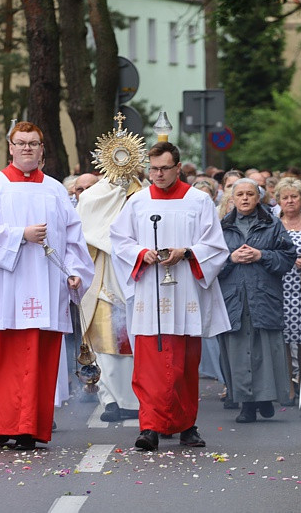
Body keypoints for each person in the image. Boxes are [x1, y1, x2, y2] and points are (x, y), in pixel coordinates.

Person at [0, 121, 93, 450]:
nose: (28, 148)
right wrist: (21, 235)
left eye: (34, 143)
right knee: (0, 358)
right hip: (0, 287)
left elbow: (74, 238)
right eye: (21, 143)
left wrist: (74, 271)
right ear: (11, 146)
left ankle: (29, 427)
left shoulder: (55, 190)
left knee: (34, 360)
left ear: (42, 148)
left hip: (44, 285)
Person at [110, 142, 230, 451]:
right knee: (150, 363)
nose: (158, 174)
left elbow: (215, 246)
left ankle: (187, 424)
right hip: (150, 292)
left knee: (185, 363)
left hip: (186, 290)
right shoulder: (137, 201)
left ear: (178, 168)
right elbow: (119, 240)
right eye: (153, 169)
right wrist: (141, 253)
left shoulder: (199, 201)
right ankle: (150, 426)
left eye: (164, 168)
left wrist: (187, 252)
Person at [217, 178, 296, 422]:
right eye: (239, 194)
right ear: (232, 199)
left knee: (265, 349)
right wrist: (231, 259)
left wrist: (261, 255)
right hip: (234, 297)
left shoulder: (272, 224)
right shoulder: (221, 227)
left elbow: (287, 257)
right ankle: (246, 405)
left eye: (250, 194)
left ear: (258, 197)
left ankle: (264, 398)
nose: (244, 198)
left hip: (264, 295)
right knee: (239, 351)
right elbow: (210, 263)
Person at [77, 172, 145, 423]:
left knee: (135, 342)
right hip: (105, 277)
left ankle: (136, 398)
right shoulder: (95, 195)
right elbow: (87, 230)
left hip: (137, 277)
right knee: (105, 341)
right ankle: (110, 400)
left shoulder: (144, 193)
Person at [276, 177, 301, 405]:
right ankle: (287, 385)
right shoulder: (272, 223)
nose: (290, 201)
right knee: (281, 336)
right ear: (279, 201)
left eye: (294, 196)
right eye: (285, 197)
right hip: (279, 287)